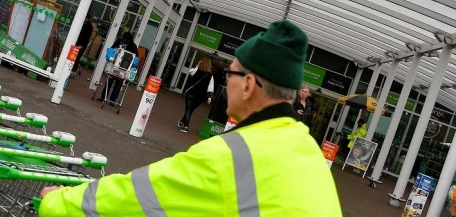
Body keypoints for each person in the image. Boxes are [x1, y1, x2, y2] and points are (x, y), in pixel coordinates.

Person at [39, 19, 343, 216]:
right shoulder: (309, 154)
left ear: (248, 84)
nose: (226, 83)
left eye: (230, 74)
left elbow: (135, 196)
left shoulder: (230, 157)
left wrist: (56, 203)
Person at [177, 57, 215, 133]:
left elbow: (190, 71)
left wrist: (197, 65)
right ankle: (181, 121)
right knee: (190, 110)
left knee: (188, 110)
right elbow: (211, 87)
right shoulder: (210, 76)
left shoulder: (196, 70)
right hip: (200, 97)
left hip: (191, 94)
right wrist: (209, 97)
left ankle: (185, 127)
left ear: (201, 63)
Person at [101, 31, 138, 104]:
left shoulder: (133, 46)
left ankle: (112, 100)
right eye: (123, 39)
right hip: (114, 65)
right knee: (110, 82)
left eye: (125, 39)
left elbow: (135, 58)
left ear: (128, 40)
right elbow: (112, 49)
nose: (123, 40)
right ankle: (104, 97)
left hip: (124, 68)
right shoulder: (119, 41)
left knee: (118, 84)